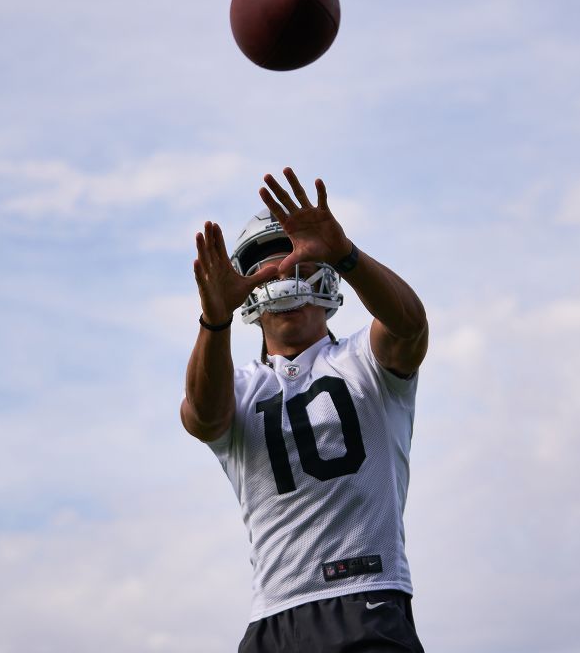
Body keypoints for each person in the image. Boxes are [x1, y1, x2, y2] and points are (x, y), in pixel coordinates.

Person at [180, 168, 429, 652]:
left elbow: (409, 325)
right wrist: (214, 320)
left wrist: (348, 256)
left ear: (325, 277)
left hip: (366, 599)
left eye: (299, 265)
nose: (285, 280)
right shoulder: (241, 388)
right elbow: (203, 416)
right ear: (247, 291)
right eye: (269, 271)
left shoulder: (364, 361)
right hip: (273, 618)